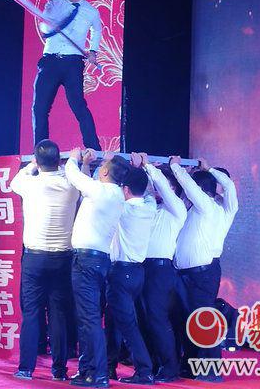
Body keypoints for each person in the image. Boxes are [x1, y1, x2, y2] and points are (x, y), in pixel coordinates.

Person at [11, 140, 79, 381]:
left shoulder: (30, 183)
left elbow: (14, 182)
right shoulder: (71, 184)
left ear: (38, 162)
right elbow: (77, 175)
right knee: (59, 313)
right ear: (59, 160)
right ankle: (59, 370)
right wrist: (74, 161)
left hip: (34, 258)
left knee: (31, 312)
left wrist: (31, 166)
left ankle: (25, 368)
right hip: (62, 258)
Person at [65, 149, 129, 388]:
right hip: (97, 260)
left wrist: (74, 157)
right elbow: (86, 185)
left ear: (104, 172)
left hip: (86, 261)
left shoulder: (102, 191)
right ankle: (87, 369)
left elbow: (73, 175)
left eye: (102, 165)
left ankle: (99, 374)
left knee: (90, 319)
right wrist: (87, 164)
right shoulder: (112, 193)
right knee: (87, 318)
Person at [170, 156, 237, 382]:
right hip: (186, 274)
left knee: (203, 320)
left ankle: (211, 370)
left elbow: (228, 187)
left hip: (203, 273)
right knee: (186, 320)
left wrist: (177, 167)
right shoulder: (196, 210)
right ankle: (190, 366)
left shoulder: (213, 208)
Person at [33, 0, 102, 150]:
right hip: (50, 62)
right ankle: (41, 150)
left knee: (78, 106)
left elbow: (97, 30)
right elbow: (44, 27)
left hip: (73, 64)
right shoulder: (54, 4)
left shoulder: (91, 11)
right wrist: (53, 23)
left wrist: (93, 51)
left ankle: (93, 148)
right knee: (40, 108)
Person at [105, 154, 156, 385]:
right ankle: (109, 367)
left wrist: (107, 166)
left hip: (120, 273)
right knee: (115, 321)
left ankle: (144, 371)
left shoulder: (123, 209)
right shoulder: (149, 207)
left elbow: (106, 193)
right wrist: (142, 168)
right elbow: (149, 191)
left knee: (127, 325)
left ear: (125, 189)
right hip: (137, 274)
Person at [142, 155, 187, 382]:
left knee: (158, 319)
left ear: (174, 188)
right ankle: (154, 364)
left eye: (166, 186)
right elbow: (150, 189)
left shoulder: (177, 208)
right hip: (144, 268)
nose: (159, 189)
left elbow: (161, 186)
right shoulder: (153, 207)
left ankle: (170, 367)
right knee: (147, 319)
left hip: (161, 270)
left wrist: (149, 166)